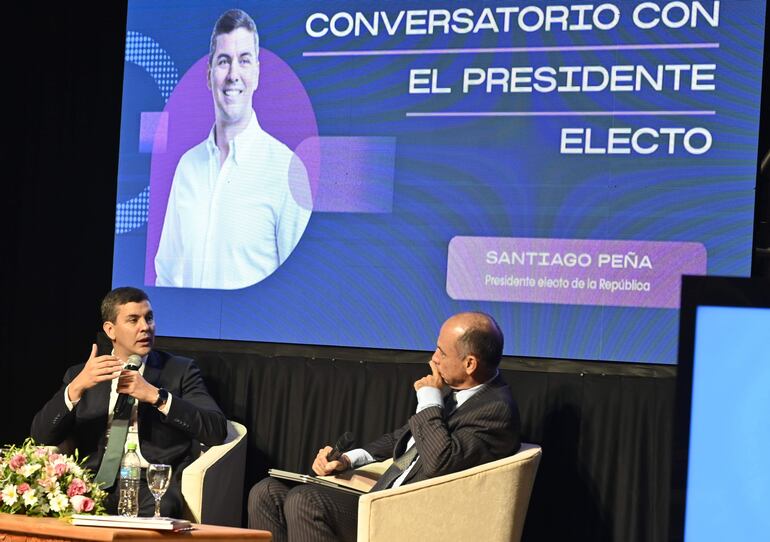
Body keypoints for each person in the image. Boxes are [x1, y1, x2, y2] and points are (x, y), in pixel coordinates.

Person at [247, 311, 521, 542]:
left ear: (469, 363)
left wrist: (428, 399)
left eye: (441, 351)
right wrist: (348, 459)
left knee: (305, 501)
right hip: (382, 499)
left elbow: (440, 460)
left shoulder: (495, 411)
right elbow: (404, 438)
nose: (433, 358)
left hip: (412, 518)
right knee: (266, 492)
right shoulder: (456, 389)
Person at [31, 287, 227, 516]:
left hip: (151, 484)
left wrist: (157, 396)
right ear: (110, 330)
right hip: (92, 481)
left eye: (149, 318)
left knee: (163, 509)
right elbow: (41, 436)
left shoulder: (179, 371)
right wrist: (76, 387)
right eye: (133, 320)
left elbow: (215, 430)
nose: (145, 327)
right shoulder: (84, 374)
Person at [155, 8, 312, 290]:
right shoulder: (187, 167)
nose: (233, 75)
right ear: (209, 74)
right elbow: (166, 276)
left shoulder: (287, 169)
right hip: (185, 333)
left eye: (244, 60)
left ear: (257, 73)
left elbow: (297, 288)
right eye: (224, 61)